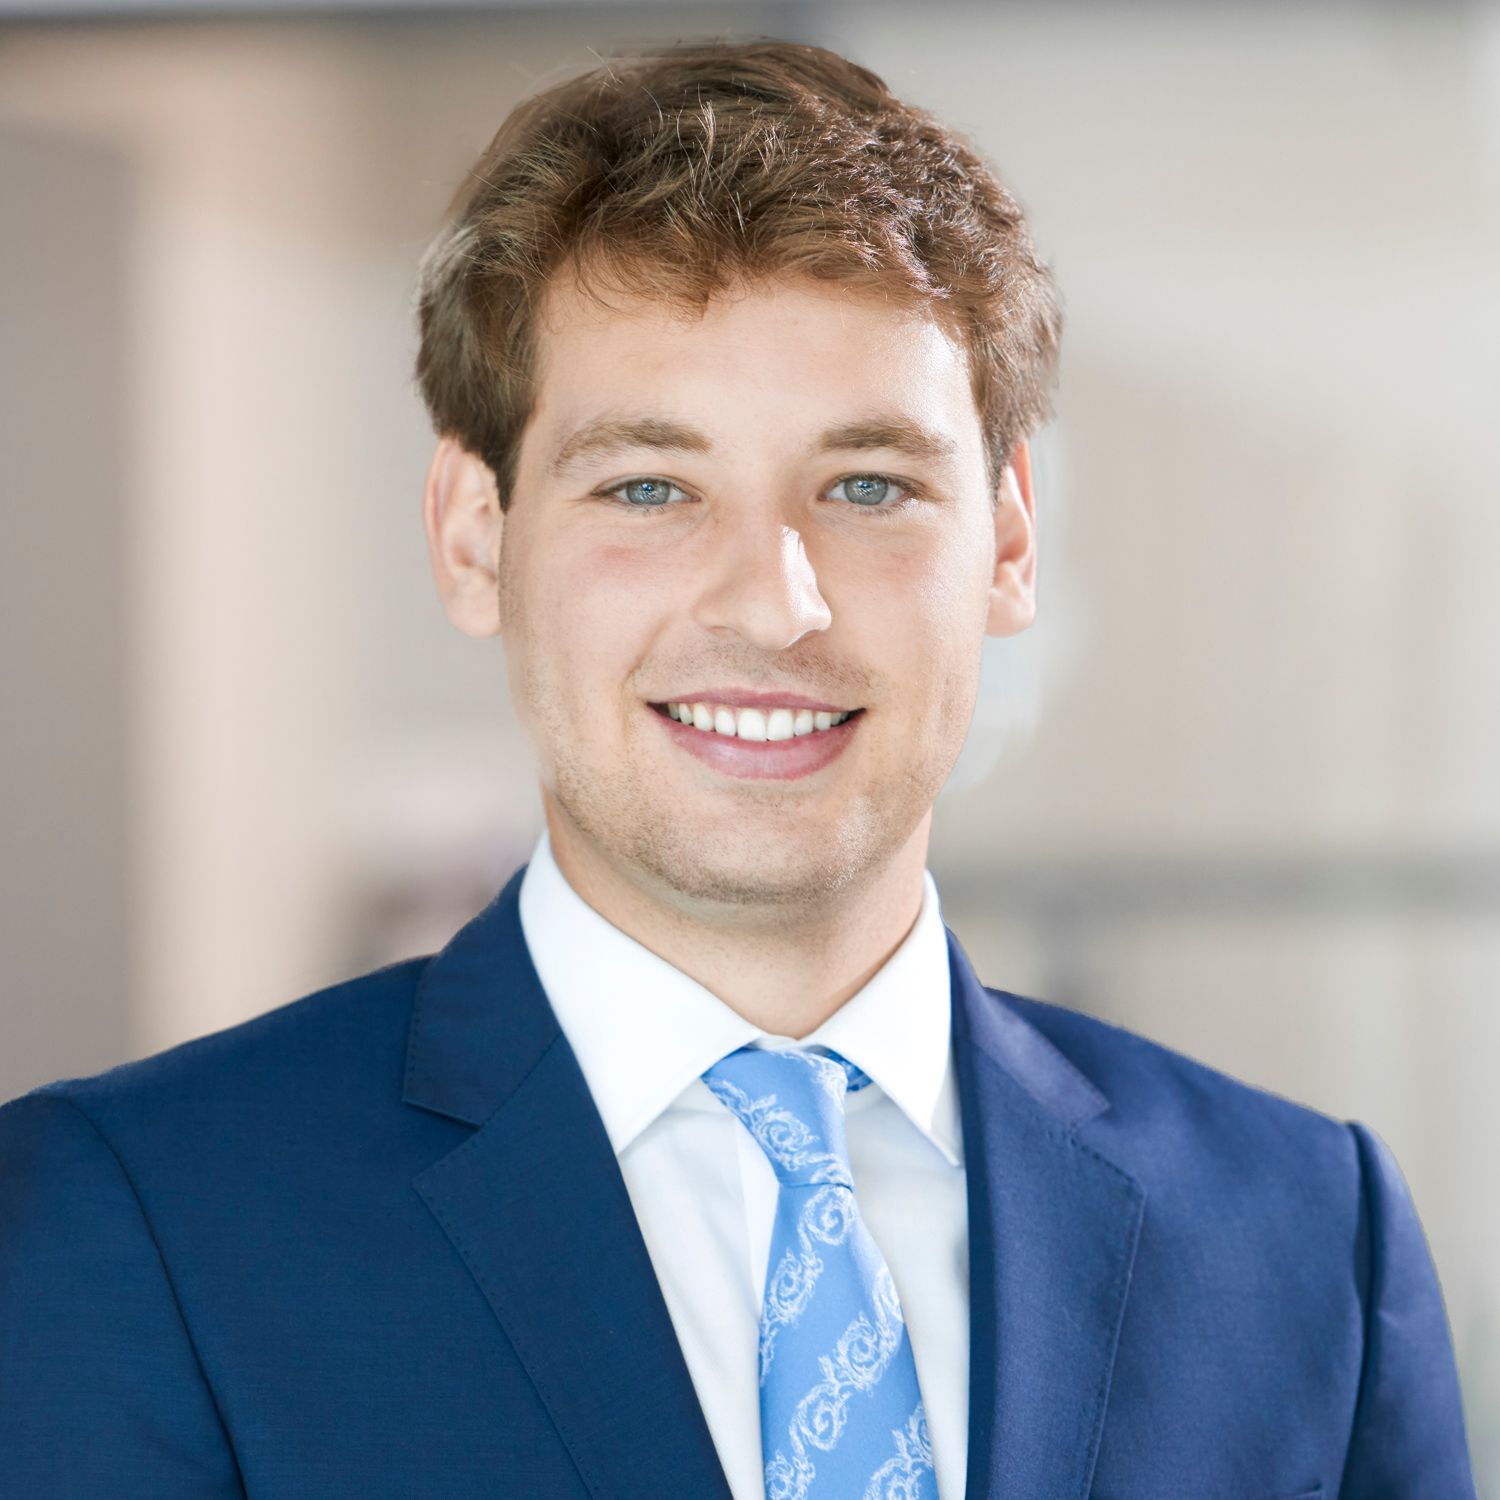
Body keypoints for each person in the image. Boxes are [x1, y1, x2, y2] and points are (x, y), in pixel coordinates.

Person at [0, 37, 1477, 1500]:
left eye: (868, 485)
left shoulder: (1307, 1238)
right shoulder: (138, 1227)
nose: (775, 603)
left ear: (1010, 539)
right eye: (650, 485)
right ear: (474, 536)